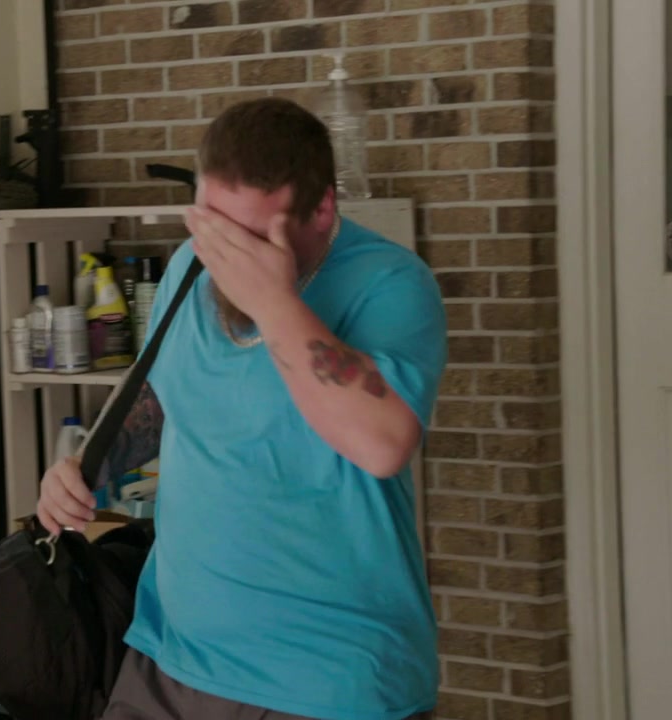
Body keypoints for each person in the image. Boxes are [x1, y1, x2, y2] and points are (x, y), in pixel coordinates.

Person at [36, 97, 447, 720]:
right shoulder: (187, 266)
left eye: (250, 235)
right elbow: (162, 398)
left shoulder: (391, 283)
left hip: (327, 679)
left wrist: (273, 301)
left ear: (322, 208)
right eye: (212, 224)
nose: (225, 253)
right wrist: (86, 467)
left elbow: (383, 444)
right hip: (170, 657)